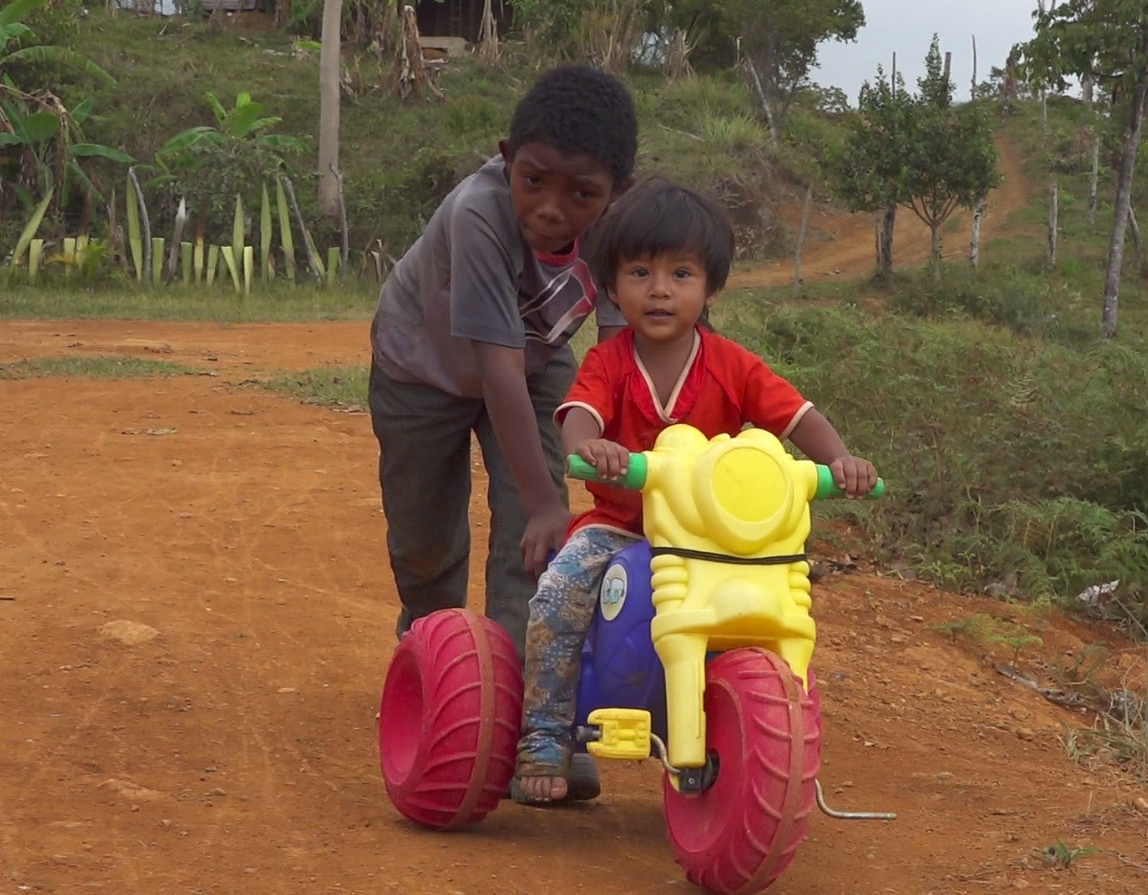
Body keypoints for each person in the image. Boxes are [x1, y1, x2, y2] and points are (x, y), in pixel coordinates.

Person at [515, 181, 879, 802]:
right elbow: (578, 419)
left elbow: (796, 417)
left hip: (715, 536)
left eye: (680, 273)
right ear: (612, 285)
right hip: (622, 525)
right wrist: (590, 448)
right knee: (559, 590)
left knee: (776, 611)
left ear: (710, 288)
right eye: (640, 272)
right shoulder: (609, 362)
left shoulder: (733, 364)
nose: (660, 289)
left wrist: (840, 458)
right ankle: (545, 730)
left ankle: (767, 727)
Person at [367, 68, 636, 673]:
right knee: (425, 540)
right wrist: (546, 503)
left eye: (581, 194)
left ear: (617, 191)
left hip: (536, 363)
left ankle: (524, 700)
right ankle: (434, 654)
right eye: (533, 180)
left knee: (535, 541)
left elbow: (622, 354)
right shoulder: (478, 212)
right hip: (420, 369)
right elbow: (496, 371)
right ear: (507, 158)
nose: (551, 209)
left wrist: (619, 463)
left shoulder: (622, 233)